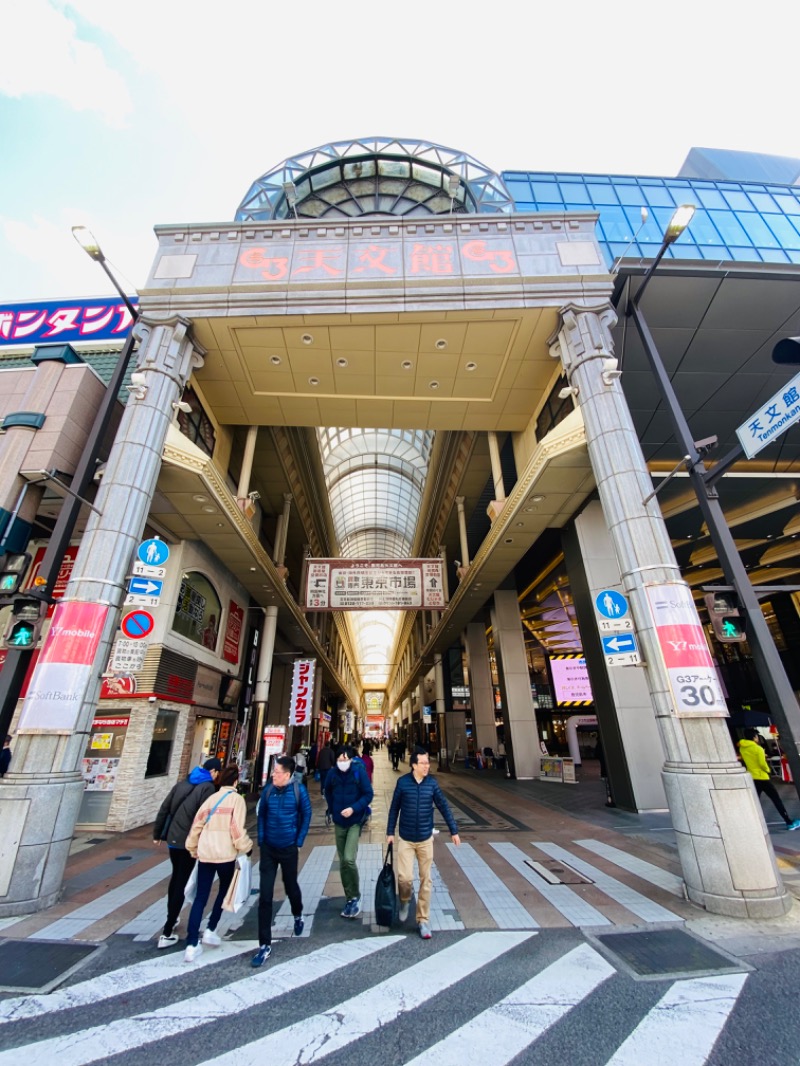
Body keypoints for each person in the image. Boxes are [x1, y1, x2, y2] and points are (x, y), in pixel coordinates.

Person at [387, 748, 460, 939]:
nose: (427, 766)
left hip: (425, 839)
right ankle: (404, 900)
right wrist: (389, 832)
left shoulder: (432, 784)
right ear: (413, 765)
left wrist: (454, 830)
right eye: (423, 763)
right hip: (406, 838)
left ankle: (423, 919)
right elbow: (394, 808)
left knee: (426, 881)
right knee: (404, 878)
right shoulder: (402, 783)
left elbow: (443, 805)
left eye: (428, 763)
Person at [183, 765, 252, 962]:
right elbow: (237, 830)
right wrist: (246, 847)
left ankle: (191, 944)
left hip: (205, 854)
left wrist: (193, 848)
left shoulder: (210, 799)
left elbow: (196, 826)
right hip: (225, 855)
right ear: (236, 782)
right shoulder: (236, 800)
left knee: (200, 897)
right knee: (224, 892)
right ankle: (211, 929)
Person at [152, 756, 221, 948]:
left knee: (176, 879)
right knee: (182, 881)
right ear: (214, 772)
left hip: (173, 840)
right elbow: (205, 817)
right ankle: (167, 931)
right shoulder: (207, 787)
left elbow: (164, 808)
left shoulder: (183, 783)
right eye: (217, 773)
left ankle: (171, 920)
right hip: (189, 842)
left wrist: (157, 834)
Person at [252, 755, 312, 968]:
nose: (273, 775)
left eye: (276, 772)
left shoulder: (298, 791)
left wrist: (299, 841)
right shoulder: (268, 791)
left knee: (290, 885)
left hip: (288, 847)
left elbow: (307, 814)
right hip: (268, 848)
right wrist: (261, 839)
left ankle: (298, 914)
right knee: (265, 895)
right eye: (273, 772)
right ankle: (264, 944)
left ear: (287, 775)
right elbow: (261, 816)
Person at [324, 745, 373, 918]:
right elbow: (327, 791)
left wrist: (354, 808)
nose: (342, 762)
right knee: (343, 861)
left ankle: (355, 895)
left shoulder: (358, 772)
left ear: (351, 760)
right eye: (339, 760)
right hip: (339, 821)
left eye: (345, 759)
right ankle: (350, 897)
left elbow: (368, 794)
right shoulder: (332, 774)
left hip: (354, 821)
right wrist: (333, 808)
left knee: (349, 859)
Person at [739, 728, 800, 830]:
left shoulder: (742, 748)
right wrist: (768, 770)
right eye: (757, 736)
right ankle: (789, 822)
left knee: (755, 801)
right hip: (763, 777)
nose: (757, 738)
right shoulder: (758, 749)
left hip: (752, 777)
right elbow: (762, 764)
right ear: (754, 737)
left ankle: (750, 823)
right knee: (776, 800)